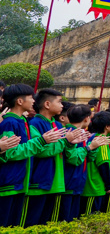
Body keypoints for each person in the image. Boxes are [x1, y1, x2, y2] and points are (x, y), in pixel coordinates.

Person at [1, 85, 66, 227]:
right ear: (19, 101)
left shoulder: (22, 121)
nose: (33, 101)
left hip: (19, 182)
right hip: (9, 183)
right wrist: (42, 140)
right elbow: (11, 153)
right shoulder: (10, 123)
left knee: (14, 227)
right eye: (30, 97)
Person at [25, 89, 87, 226]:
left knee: (47, 223)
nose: (62, 106)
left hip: (56, 181)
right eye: (59, 102)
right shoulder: (35, 124)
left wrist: (71, 144)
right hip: (40, 180)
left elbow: (64, 150)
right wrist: (66, 141)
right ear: (47, 104)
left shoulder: (57, 124)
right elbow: (40, 151)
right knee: (32, 222)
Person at [81, 111, 110, 217]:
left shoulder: (94, 137)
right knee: (89, 218)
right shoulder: (101, 141)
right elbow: (103, 164)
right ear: (107, 126)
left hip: (92, 186)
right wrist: (108, 185)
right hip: (94, 187)